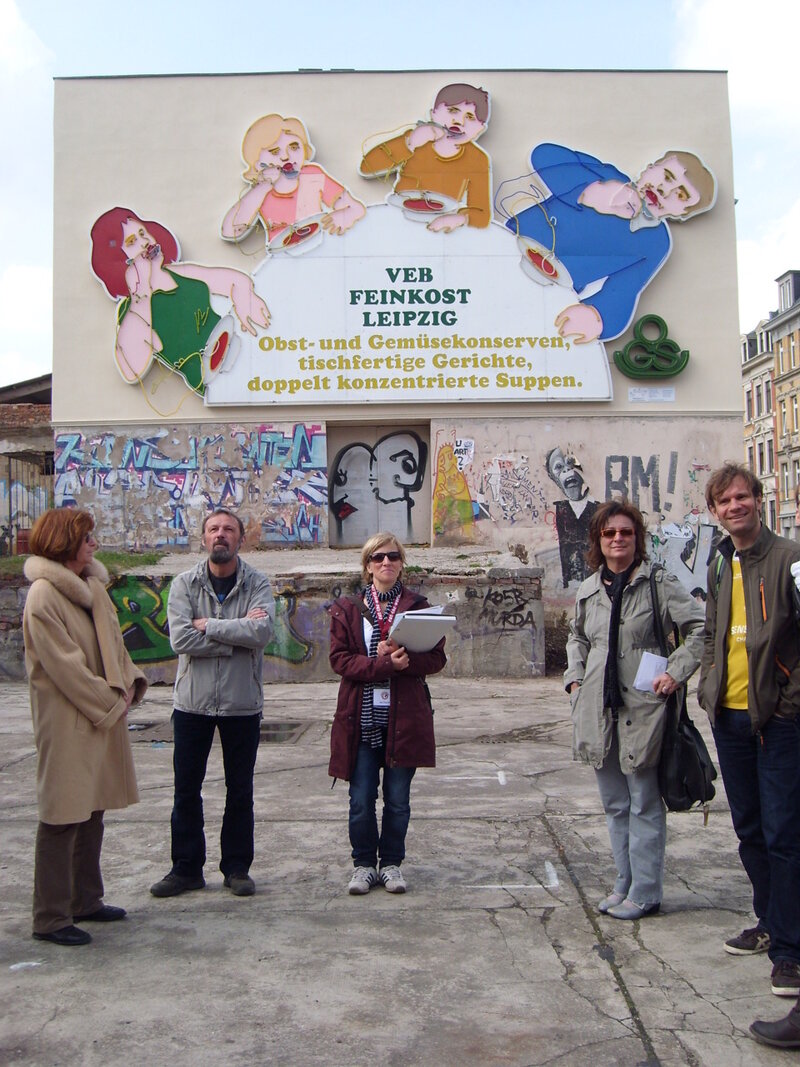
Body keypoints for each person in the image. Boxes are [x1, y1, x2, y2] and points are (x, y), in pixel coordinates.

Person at [565, 499, 704, 919]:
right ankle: (623, 884)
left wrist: (676, 672)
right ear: (598, 541)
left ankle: (646, 892)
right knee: (614, 804)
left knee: (643, 801)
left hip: (644, 708)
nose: (617, 539)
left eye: (625, 532)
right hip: (597, 709)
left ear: (637, 538)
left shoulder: (658, 584)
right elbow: (577, 638)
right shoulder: (589, 589)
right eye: (609, 533)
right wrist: (574, 679)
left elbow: (700, 628)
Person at [698, 463, 800, 1013]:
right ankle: (769, 922)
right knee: (750, 830)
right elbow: (713, 628)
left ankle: (791, 949)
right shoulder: (721, 561)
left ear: (760, 500)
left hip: (778, 721)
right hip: (729, 716)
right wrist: (709, 685)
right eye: (724, 501)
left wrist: (789, 701)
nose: (734, 506)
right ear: (714, 510)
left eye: (742, 497)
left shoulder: (788, 558)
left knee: (786, 835)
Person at [23, 508, 147, 946]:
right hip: (66, 719)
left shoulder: (92, 587)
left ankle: (86, 900)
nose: (94, 544)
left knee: (93, 808)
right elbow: (65, 668)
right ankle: (51, 917)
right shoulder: (43, 597)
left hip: (101, 713)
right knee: (62, 814)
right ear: (64, 541)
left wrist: (130, 682)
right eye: (86, 538)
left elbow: (114, 644)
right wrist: (111, 702)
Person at [150, 508, 274, 899]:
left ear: (241, 539)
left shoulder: (257, 583)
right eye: (213, 529)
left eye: (229, 530)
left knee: (241, 791)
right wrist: (236, 635)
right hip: (192, 705)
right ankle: (186, 869)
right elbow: (181, 641)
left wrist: (212, 626)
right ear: (203, 538)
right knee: (186, 791)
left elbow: (262, 632)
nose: (221, 535)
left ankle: (237, 869)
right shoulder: (184, 584)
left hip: (242, 705)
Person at [499, 143, 716, 342]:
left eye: (680, 195)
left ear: (683, 213)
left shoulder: (657, 242)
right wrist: (589, 189)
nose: (664, 190)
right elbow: (543, 155)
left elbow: (625, 290)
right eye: (667, 177)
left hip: (548, 288)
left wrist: (596, 315)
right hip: (504, 247)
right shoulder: (607, 175)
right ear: (650, 168)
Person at [328, 532, 446, 894]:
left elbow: (437, 658)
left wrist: (403, 660)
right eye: (378, 558)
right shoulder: (348, 608)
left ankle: (391, 864)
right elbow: (339, 660)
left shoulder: (419, 606)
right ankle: (364, 864)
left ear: (401, 563)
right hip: (361, 722)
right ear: (367, 565)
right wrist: (381, 664)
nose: (386, 563)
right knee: (361, 800)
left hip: (404, 721)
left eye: (393, 557)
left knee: (397, 801)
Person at [91, 207, 271, 395]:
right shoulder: (133, 310)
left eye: (143, 233)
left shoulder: (178, 272)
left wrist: (245, 298)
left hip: (242, 351)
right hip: (217, 383)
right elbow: (131, 369)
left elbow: (234, 280)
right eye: (132, 242)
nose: (144, 241)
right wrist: (141, 292)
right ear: (121, 260)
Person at [360, 82, 491, 231]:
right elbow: (367, 167)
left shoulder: (478, 158)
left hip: (441, 231)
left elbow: (482, 213)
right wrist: (409, 144)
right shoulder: (417, 139)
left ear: (480, 129)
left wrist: (461, 218)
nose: (459, 121)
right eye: (452, 111)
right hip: (397, 219)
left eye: (470, 117)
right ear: (433, 113)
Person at [221, 113, 365, 248]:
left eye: (294, 147)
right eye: (275, 152)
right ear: (258, 163)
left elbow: (355, 207)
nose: (286, 157)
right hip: (282, 257)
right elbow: (230, 231)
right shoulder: (260, 192)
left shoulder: (312, 176)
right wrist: (262, 187)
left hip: (319, 248)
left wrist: (344, 216)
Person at [545, 445, 598, 587]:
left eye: (571, 463)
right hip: (570, 584)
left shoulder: (598, 507)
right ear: (553, 478)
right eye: (558, 467)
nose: (567, 470)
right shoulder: (558, 509)